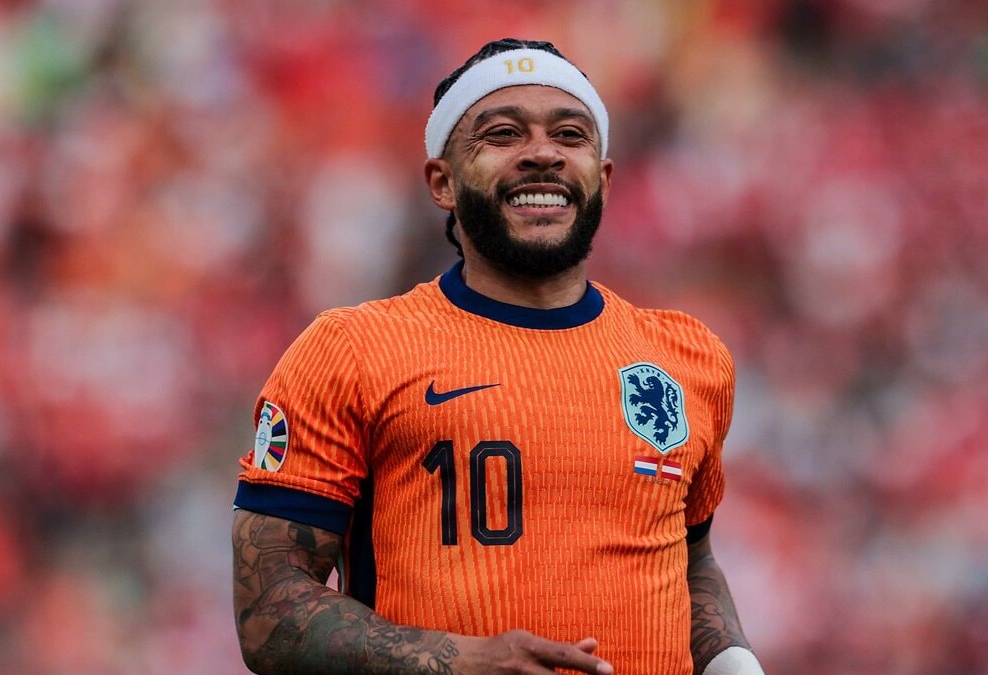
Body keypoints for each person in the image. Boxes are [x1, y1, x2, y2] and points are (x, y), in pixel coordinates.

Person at [231, 38, 764, 675]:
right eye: (504, 133)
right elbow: (269, 611)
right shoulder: (352, 350)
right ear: (443, 182)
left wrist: (734, 661)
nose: (543, 153)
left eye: (569, 135)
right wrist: (461, 660)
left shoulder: (688, 357)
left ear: (603, 177)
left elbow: (691, 557)